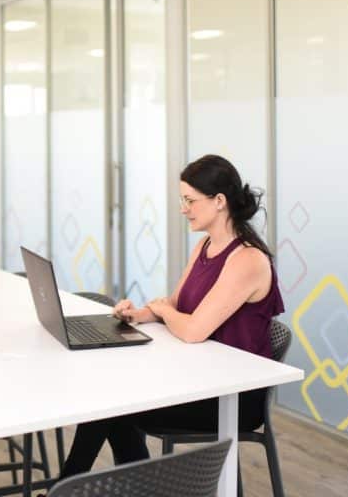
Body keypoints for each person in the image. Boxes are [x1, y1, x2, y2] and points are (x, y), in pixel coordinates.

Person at [58, 154, 284, 479]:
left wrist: (164, 310)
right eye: (182, 200)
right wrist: (138, 315)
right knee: (111, 398)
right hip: (199, 376)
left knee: (112, 404)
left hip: (232, 396)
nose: (183, 209)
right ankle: (134, 487)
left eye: (190, 200)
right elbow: (176, 303)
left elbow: (192, 330)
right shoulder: (204, 247)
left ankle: (65, 488)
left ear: (219, 201)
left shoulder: (248, 260)